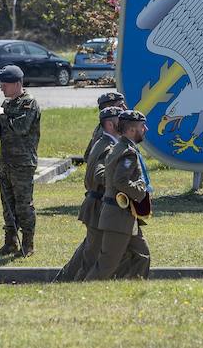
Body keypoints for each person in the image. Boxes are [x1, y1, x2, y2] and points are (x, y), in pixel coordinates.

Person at [0, 64, 42, 257]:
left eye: (5, 85)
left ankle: (28, 243)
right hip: (6, 162)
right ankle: (10, 242)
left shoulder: (28, 103)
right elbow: (3, 130)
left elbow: (21, 127)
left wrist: (2, 114)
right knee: (7, 204)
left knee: (23, 205)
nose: (2, 89)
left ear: (17, 84)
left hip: (23, 163)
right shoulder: (7, 105)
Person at [55, 106, 123, 282]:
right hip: (98, 205)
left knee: (96, 249)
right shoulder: (107, 146)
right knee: (91, 253)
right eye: (119, 120)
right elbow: (98, 175)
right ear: (109, 124)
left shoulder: (106, 142)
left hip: (100, 204)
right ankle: (75, 285)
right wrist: (121, 179)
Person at [84, 109, 152, 281]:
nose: (146, 130)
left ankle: (132, 290)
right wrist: (141, 190)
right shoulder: (126, 152)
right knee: (106, 264)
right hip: (118, 217)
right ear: (131, 130)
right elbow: (120, 181)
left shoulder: (119, 147)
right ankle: (85, 294)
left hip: (126, 216)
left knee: (142, 256)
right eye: (142, 127)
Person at [84, 91, 126, 161]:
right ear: (109, 109)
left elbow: (87, 155)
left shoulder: (102, 128)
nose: (125, 108)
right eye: (120, 106)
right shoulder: (107, 132)